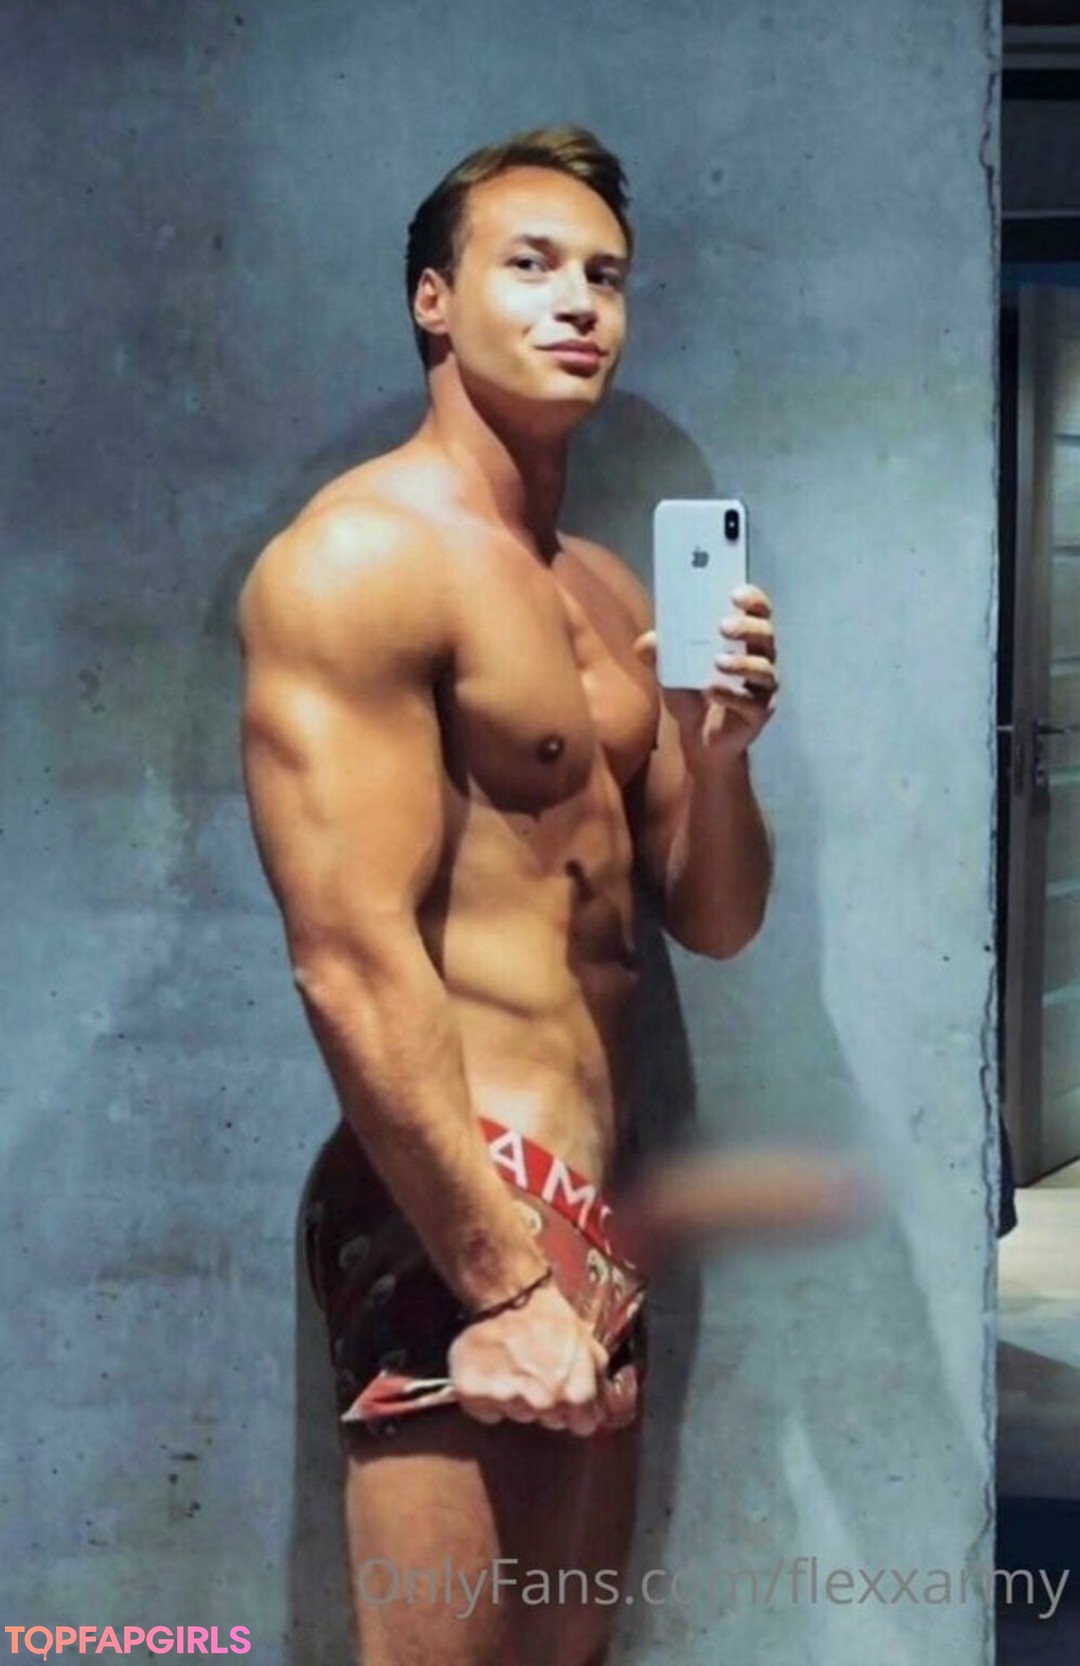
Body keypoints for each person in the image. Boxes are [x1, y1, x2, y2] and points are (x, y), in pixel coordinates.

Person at [237, 125, 779, 1666]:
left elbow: (713, 917)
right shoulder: (359, 559)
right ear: (433, 298)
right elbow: (347, 957)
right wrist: (499, 1280)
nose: (578, 302)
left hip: (593, 1210)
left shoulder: (604, 592)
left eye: (606, 274)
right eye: (529, 264)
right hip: (454, 1200)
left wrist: (719, 757)